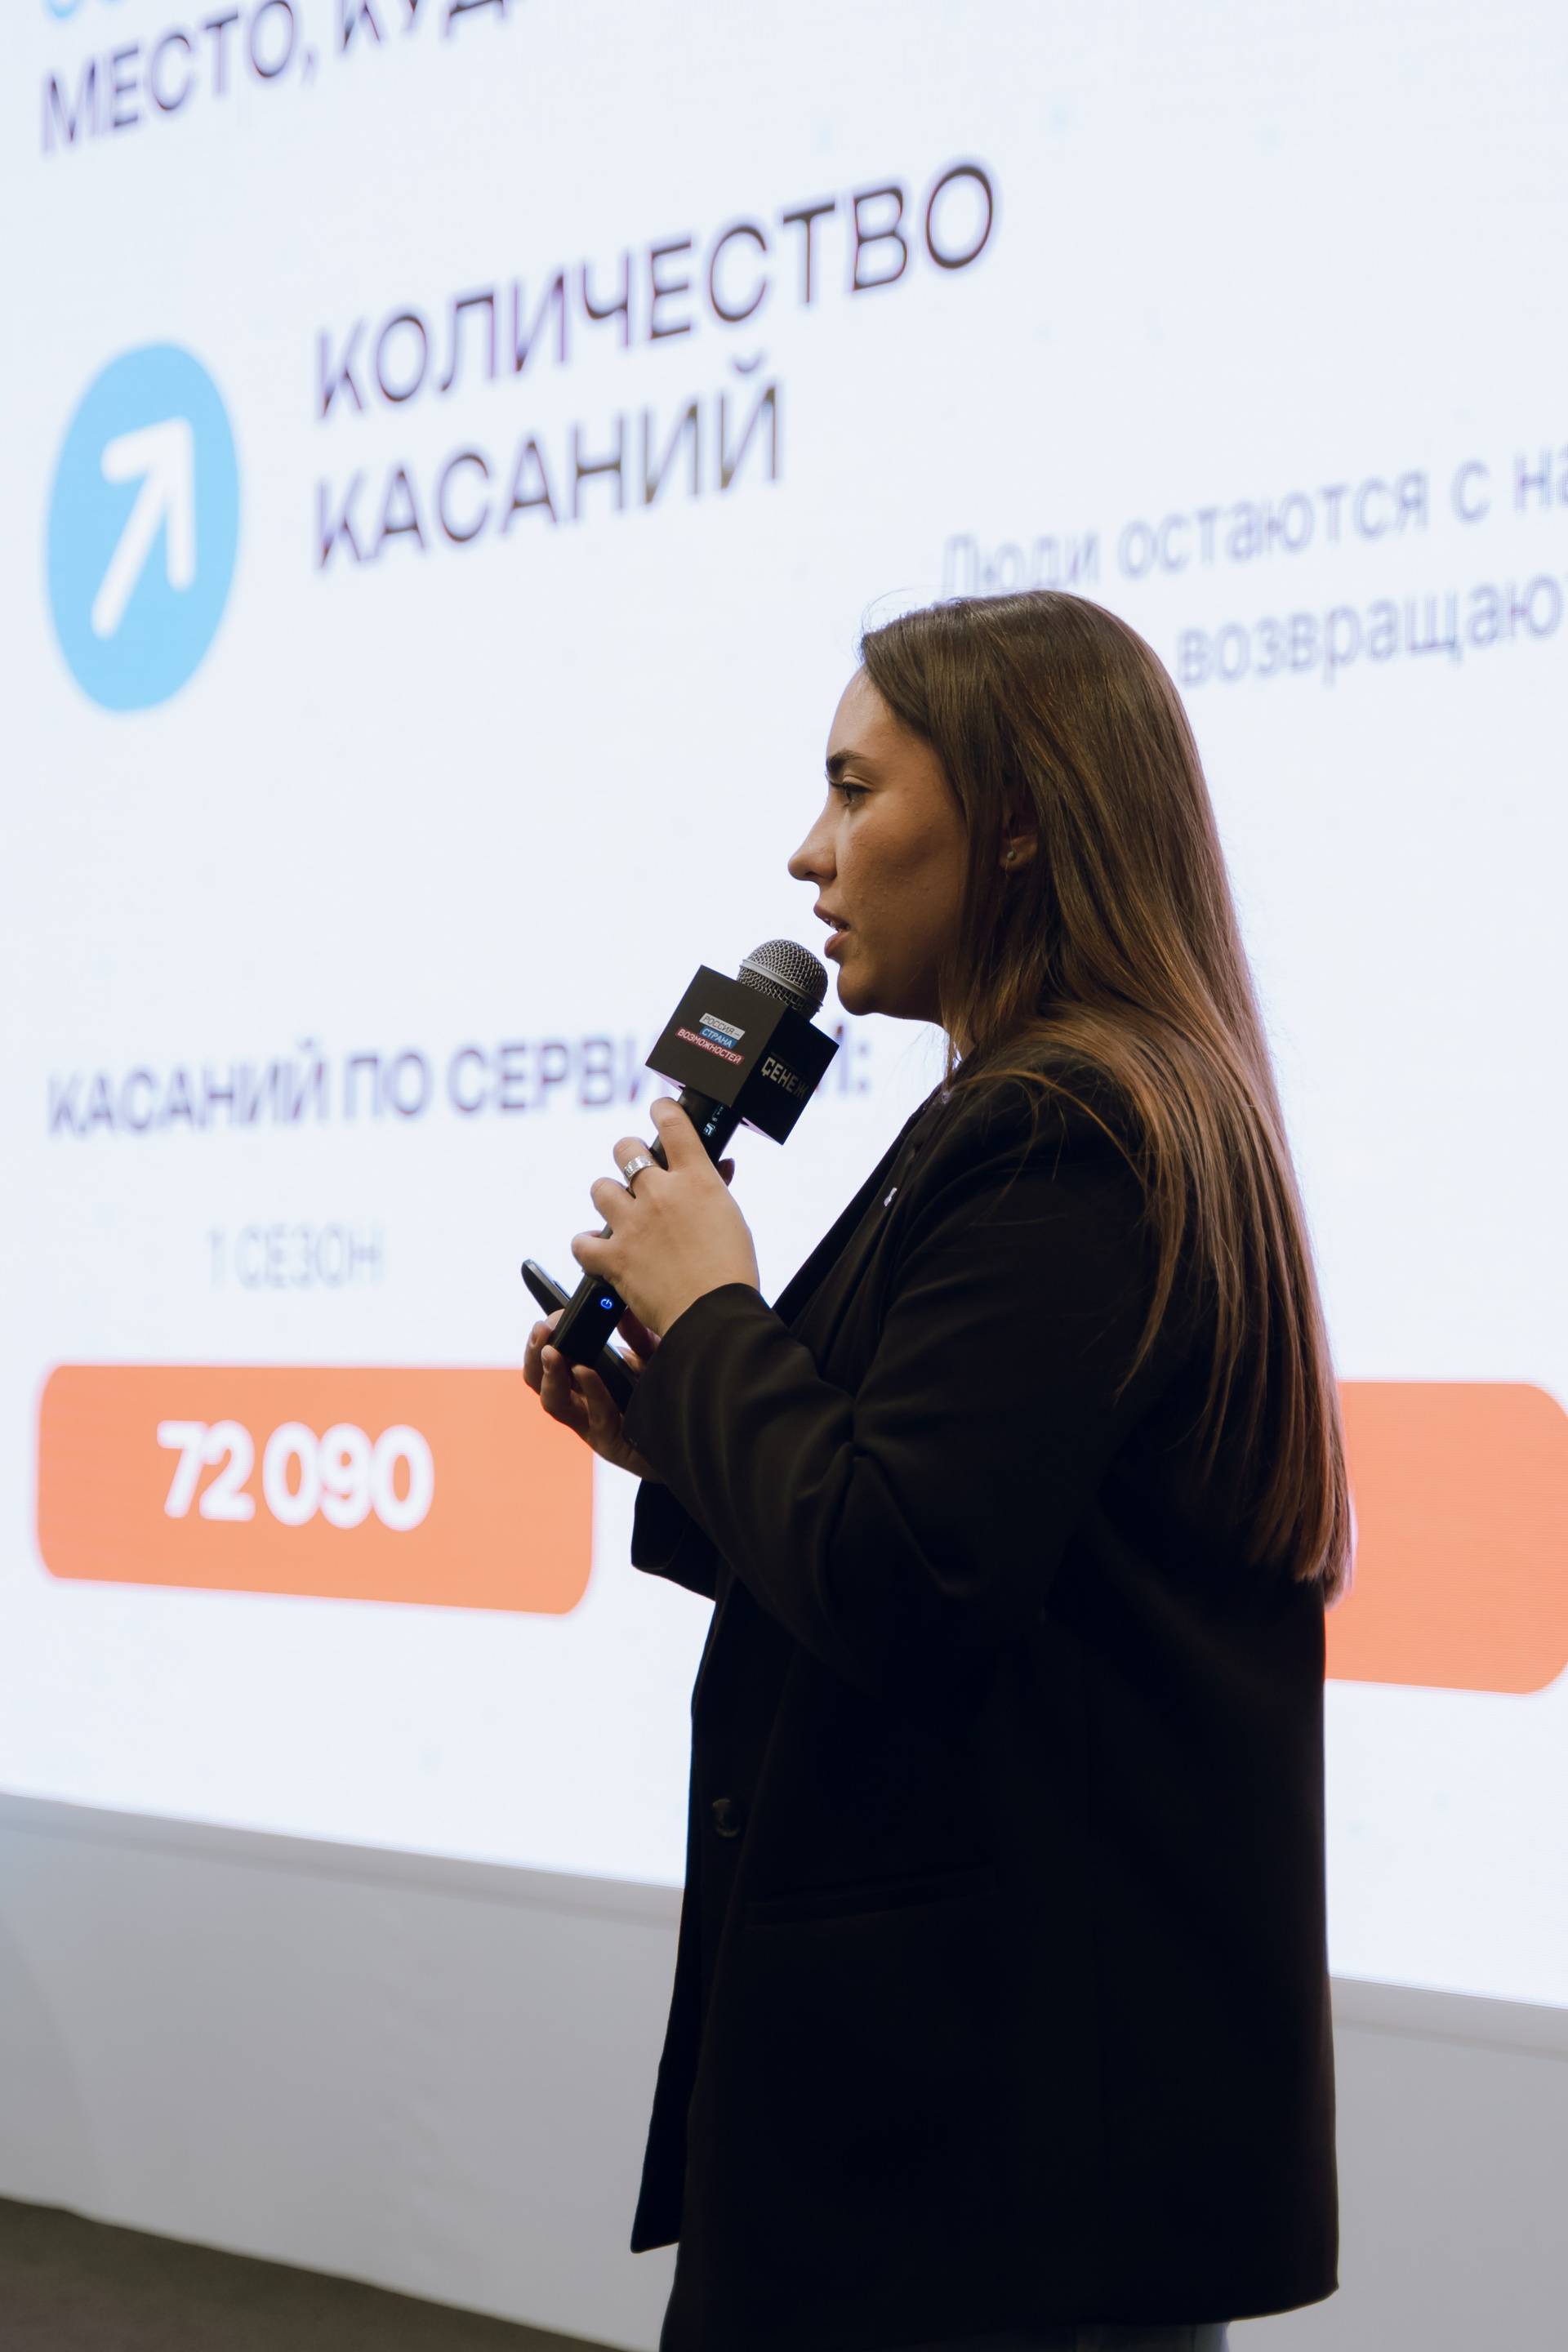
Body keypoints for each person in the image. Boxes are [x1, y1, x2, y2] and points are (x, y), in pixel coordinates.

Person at [524, 590, 1348, 2352]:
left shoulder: (1069, 1132)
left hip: (987, 2149)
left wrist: (718, 1314)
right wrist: (683, 1423)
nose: (808, 855)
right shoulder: (1042, 1109)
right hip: (976, 2125)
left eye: (855, 789)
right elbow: (958, 1520)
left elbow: (904, 1573)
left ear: (1021, 819)